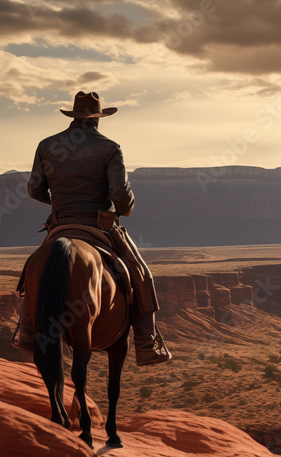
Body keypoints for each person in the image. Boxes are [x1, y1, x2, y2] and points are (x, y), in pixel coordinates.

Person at [14, 91, 171, 366]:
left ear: (74, 116)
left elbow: (34, 189)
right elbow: (120, 193)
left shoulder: (47, 145)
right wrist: (125, 207)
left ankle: (27, 332)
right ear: (97, 119)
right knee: (141, 274)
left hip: (60, 225)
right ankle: (147, 344)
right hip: (99, 227)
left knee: (32, 275)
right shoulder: (109, 147)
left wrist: (58, 203)